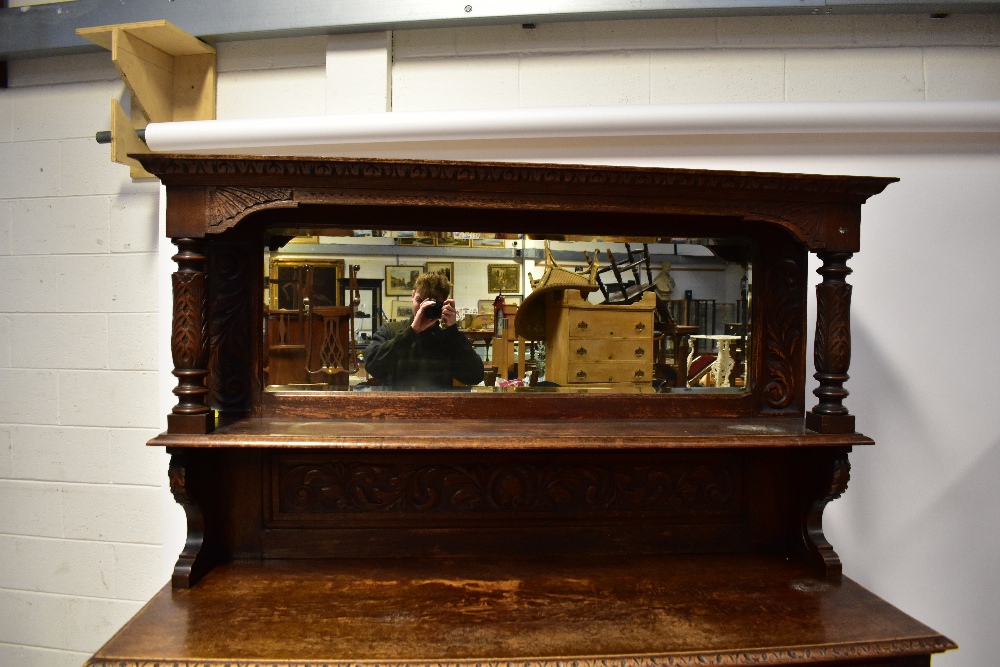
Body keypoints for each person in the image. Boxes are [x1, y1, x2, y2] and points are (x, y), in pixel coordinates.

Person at [364, 272, 485, 389]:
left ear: (444, 303)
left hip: (438, 407)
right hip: (398, 406)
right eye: (419, 300)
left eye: (430, 304)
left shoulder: (448, 338)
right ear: (412, 296)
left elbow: (475, 376)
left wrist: (452, 331)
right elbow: (372, 366)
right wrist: (411, 332)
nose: (422, 308)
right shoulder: (391, 330)